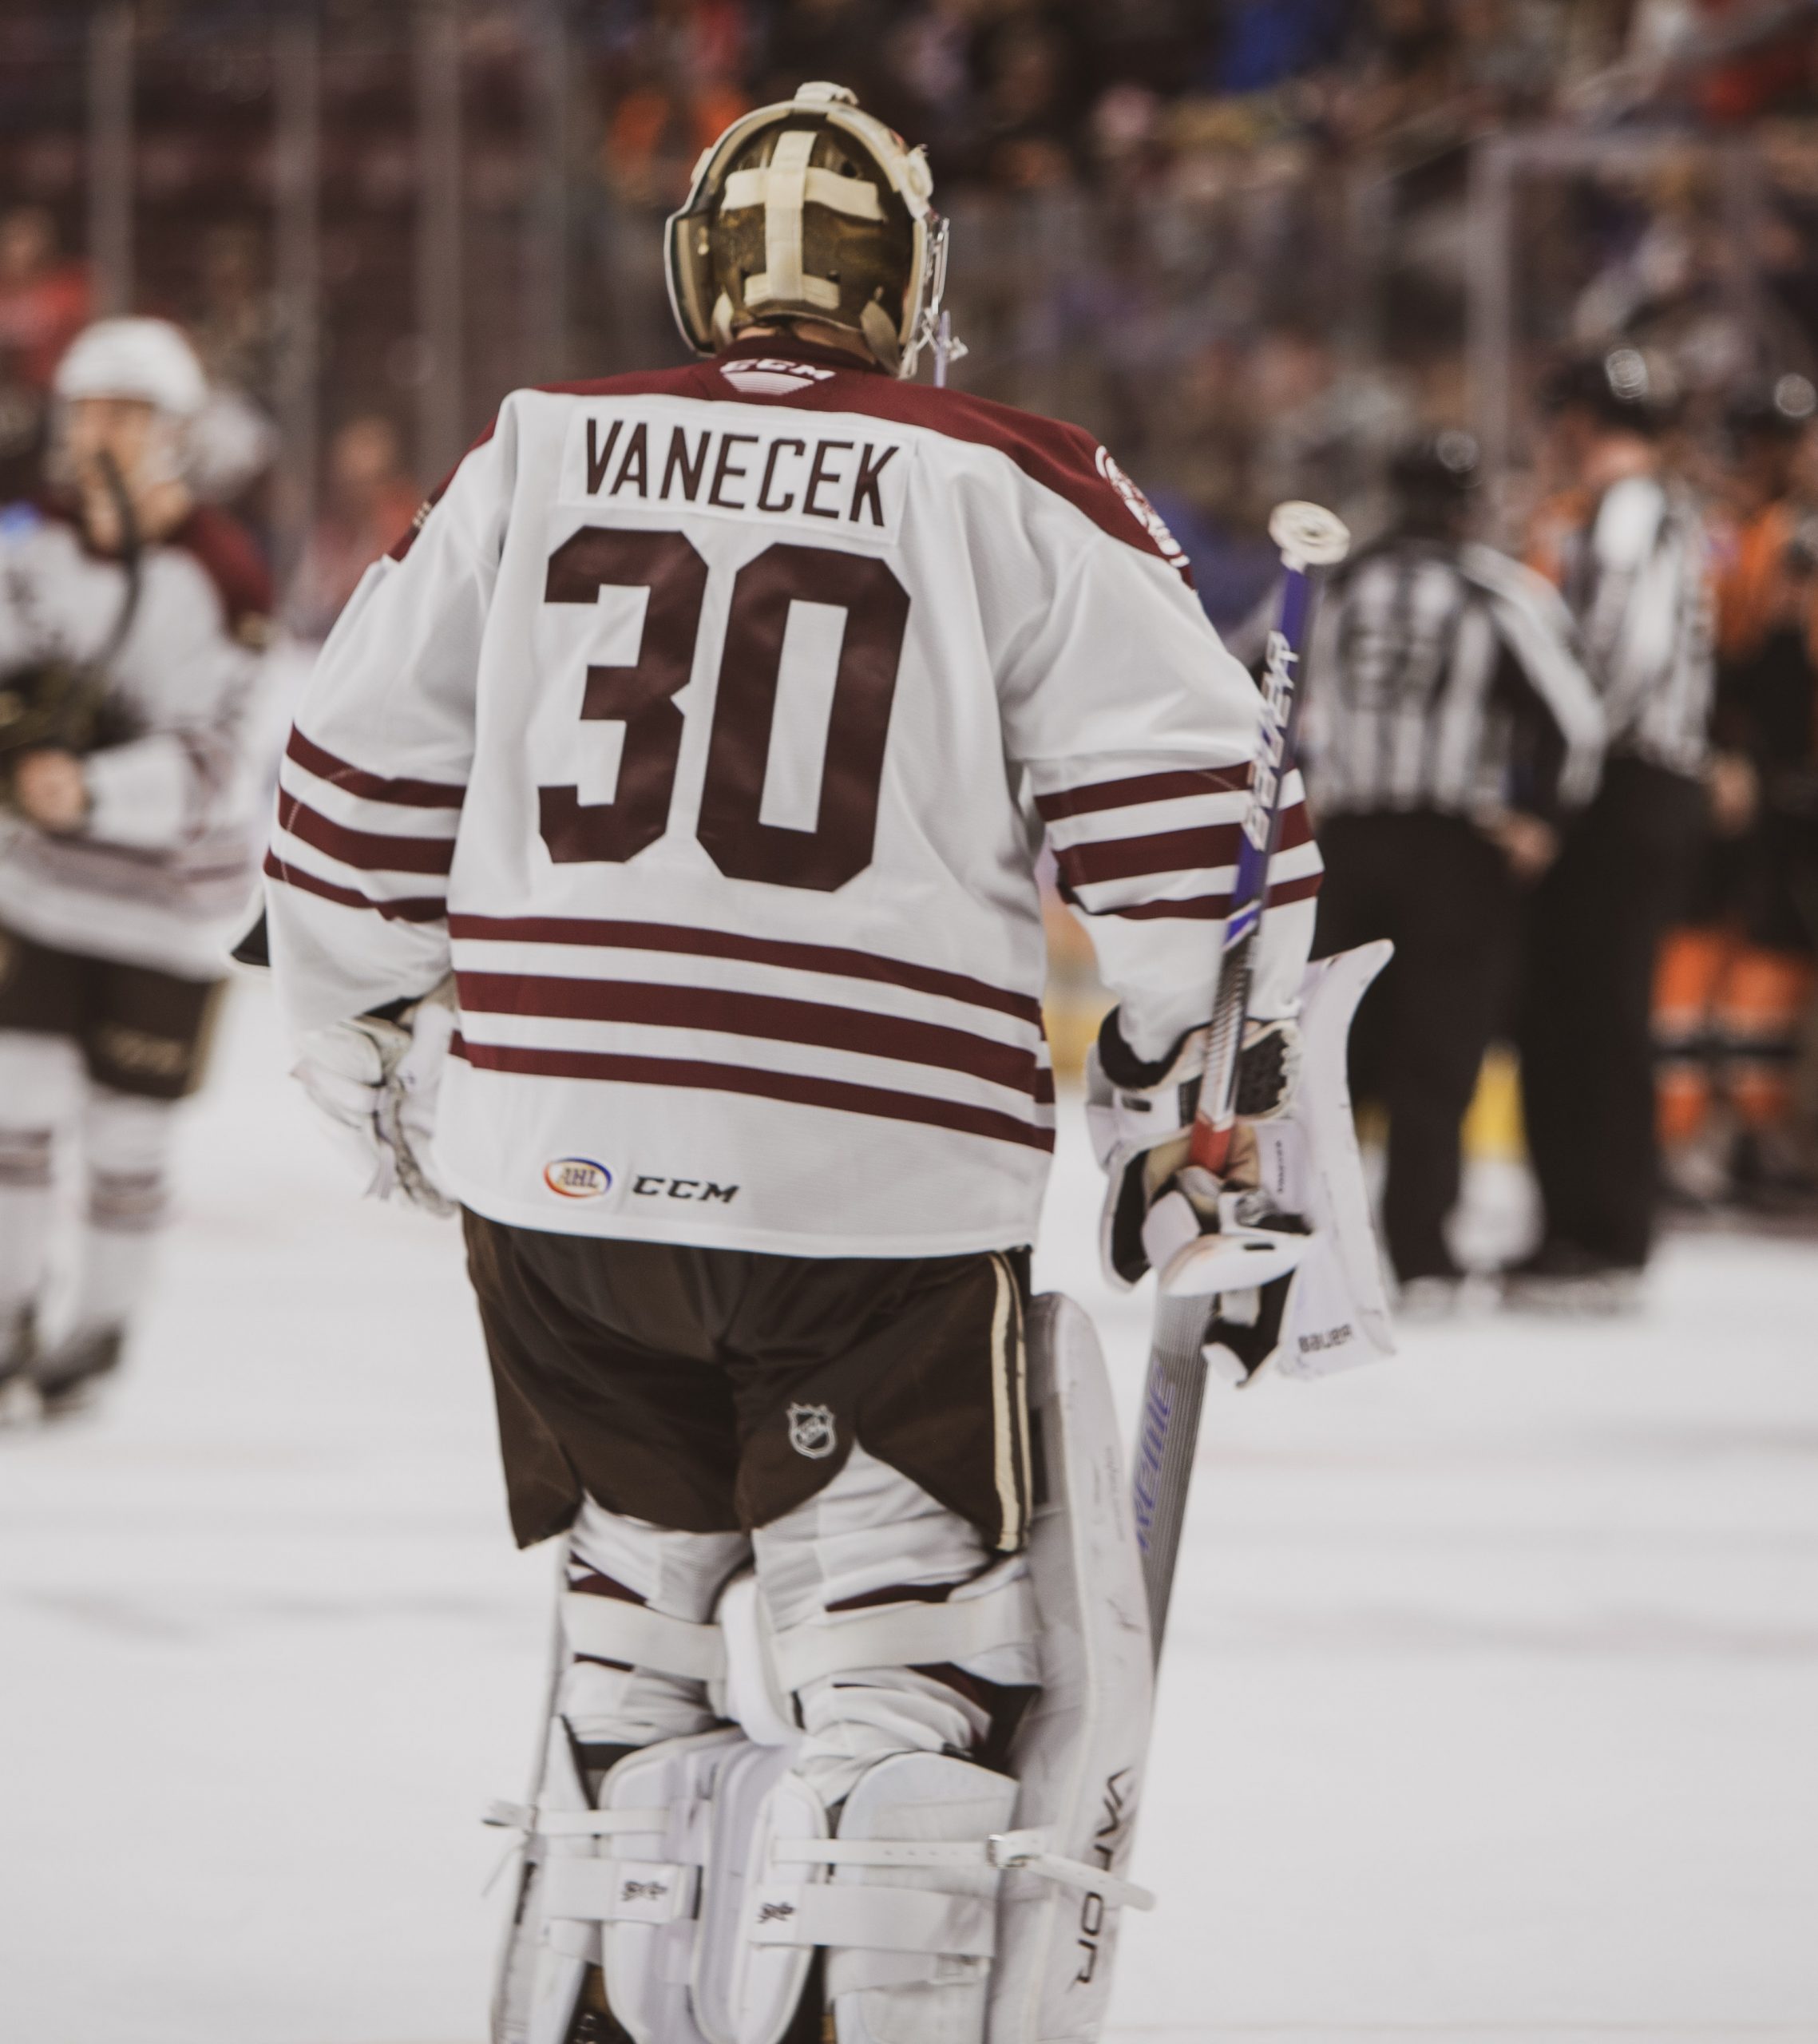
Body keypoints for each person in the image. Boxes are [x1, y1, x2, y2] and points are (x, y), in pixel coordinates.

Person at [261, 82, 1322, 2044]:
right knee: (896, 1681)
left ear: (692, 271)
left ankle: (595, 1974)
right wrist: (1180, 1112)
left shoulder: (536, 450)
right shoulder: (1014, 472)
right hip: (873, 1177)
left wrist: (375, 1050)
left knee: (631, 1631)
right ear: (916, 294)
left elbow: (341, 793)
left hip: (559, 1176)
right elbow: (1206, 835)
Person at [0, 318, 274, 1412]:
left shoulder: (224, 573)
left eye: (125, 412)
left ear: (176, 431)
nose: (99, 433)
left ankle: (102, 1328)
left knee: (126, 1136)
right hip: (41, 890)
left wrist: (93, 791)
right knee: (12, 1111)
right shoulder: (41, 547)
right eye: (88, 409)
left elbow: (220, 761)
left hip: (168, 913)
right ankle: (9, 1310)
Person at [1303, 431, 1604, 1310]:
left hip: (1344, 842)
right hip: (1453, 848)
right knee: (1437, 1053)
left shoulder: (1334, 583)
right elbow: (1575, 723)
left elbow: (1252, 683)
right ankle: (1420, 1254)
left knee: (1331, 1049)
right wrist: (1542, 823)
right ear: (1471, 502)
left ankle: (1311, 1246)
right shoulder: (1496, 590)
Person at [1514, 348, 1714, 1308]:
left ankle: (1599, 1227)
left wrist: (1558, 775)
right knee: (1585, 1002)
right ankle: (1589, 1224)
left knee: (1593, 1004)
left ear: (1584, 421)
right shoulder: (1655, 508)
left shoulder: (1631, 511)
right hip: (1639, 779)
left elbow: (1619, 657)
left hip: (1623, 782)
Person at [1657, 378, 1818, 1206]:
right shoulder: (1713, 532)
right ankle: (1682, 1135)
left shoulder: (1785, 531)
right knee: (1700, 947)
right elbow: (1717, 656)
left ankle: (1755, 1130)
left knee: (1769, 953)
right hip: (1719, 762)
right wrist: (1727, 754)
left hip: (1780, 773)